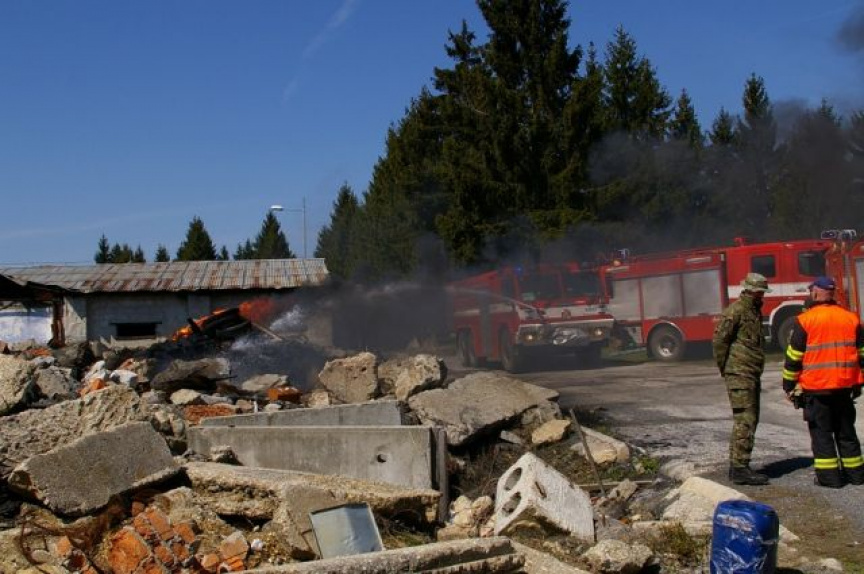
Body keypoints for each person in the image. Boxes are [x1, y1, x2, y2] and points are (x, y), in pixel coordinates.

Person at [782, 276, 864, 488]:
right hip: (845, 388)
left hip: (817, 389)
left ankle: (830, 479)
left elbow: (794, 357)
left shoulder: (805, 320)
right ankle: (856, 476)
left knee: (822, 434)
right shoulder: (851, 318)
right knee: (846, 433)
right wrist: (858, 383)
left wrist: (788, 385)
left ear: (816, 293)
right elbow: (862, 354)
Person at [712, 272, 771, 485]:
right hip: (740, 373)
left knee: (749, 419)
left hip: (750, 372)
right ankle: (739, 468)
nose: (762, 295)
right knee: (745, 419)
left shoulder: (753, 310)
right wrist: (726, 368)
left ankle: (738, 466)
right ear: (750, 290)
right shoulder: (736, 311)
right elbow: (720, 341)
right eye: (759, 292)